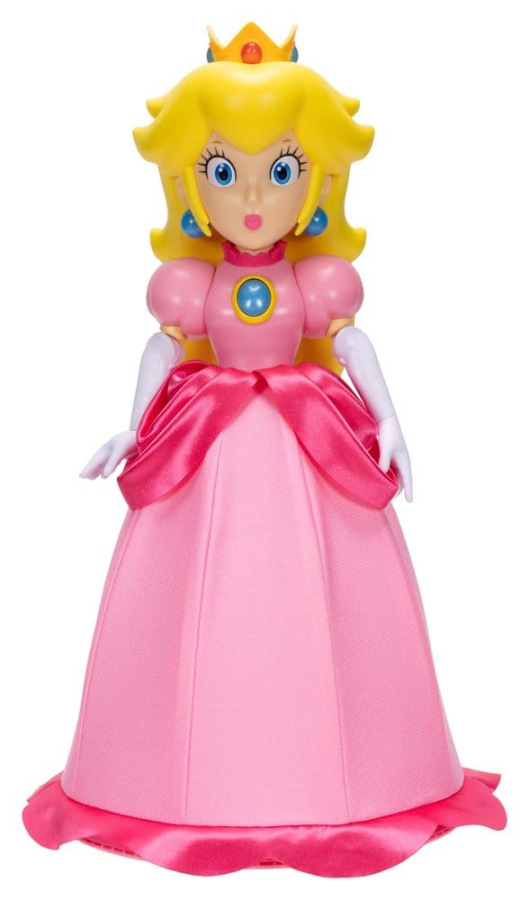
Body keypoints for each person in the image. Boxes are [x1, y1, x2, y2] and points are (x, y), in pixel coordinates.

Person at [22, 23, 506, 877]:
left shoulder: (316, 284)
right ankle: (184, 774)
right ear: (189, 181)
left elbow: (350, 342)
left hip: (307, 432)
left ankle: (349, 771)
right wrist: (134, 424)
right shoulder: (192, 286)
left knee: (334, 598)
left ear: (315, 180)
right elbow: (165, 345)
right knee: (188, 604)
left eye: (278, 171)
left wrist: (390, 418)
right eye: (224, 172)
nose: (251, 199)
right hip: (205, 436)